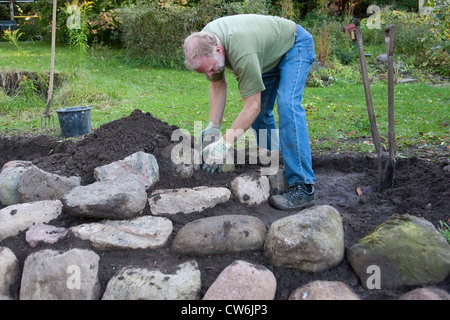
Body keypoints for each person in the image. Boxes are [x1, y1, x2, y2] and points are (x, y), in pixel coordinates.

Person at [183, 14, 316, 211]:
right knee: (261, 115)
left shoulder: (241, 52)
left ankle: (303, 186)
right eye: (204, 72)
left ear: (219, 50)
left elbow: (251, 106)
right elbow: (218, 84)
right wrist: (214, 127)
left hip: (294, 45)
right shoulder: (207, 41)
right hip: (266, 56)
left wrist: (224, 144)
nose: (209, 75)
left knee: (288, 105)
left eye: (210, 69)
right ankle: (275, 166)